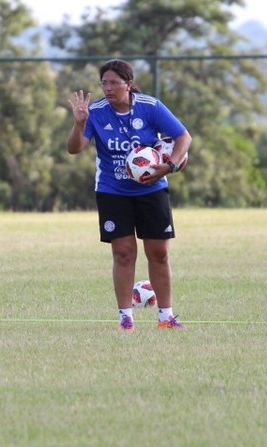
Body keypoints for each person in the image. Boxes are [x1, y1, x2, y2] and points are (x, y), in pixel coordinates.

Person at [67, 59, 192, 333]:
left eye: (114, 83)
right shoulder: (96, 112)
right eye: (104, 83)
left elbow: (183, 137)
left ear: (129, 84)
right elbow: (74, 149)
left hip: (152, 190)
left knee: (158, 254)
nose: (108, 88)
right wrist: (79, 124)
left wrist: (169, 166)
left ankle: (166, 316)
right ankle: (126, 318)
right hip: (113, 191)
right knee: (123, 254)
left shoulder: (150, 106)